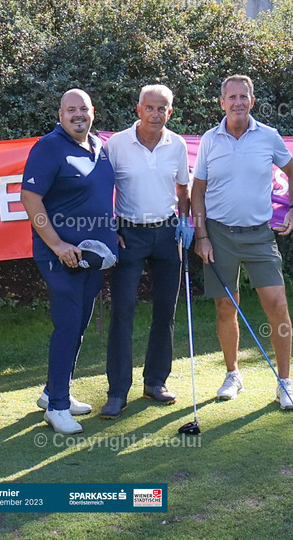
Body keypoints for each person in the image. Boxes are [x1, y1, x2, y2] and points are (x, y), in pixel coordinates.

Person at [191, 74, 293, 410]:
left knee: (277, 305)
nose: (238, 102)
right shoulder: (210, 140)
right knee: (226, 306)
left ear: (251, 101)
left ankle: (284, 383)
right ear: (222, 102)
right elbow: (197, 191)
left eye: (244, 97)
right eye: (232, 97)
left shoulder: (268, 136)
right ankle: (233, 375)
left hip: (259, 234)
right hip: (219, 234)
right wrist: (202, 237)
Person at [21, 89, 118, 435]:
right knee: (67, 324)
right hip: (60, 256)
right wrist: (57, 243)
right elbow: (30, 197)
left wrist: (112, 233)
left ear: (93, 112)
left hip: (93, 258)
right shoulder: (49, 147)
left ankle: (52, 392)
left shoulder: (99, 147)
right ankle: (58, 407)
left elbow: (99, 198)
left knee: (78, 324)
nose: (78, 115)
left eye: (84, 109)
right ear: (60, 115)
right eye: (71, 110)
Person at [100, 84, 193, 419]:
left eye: (162, 109)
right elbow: (100, 188)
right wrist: (108, 226)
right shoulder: (116, 144)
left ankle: (155, 382)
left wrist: (186, 220)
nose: (156, 114)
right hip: (129, 234)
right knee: (122, 313)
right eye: (150, 108)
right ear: (138, 109)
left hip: (167, 233)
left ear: (170, 112)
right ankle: (117, 391)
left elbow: (183, 187)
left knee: (165, 311)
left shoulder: (177, 144)